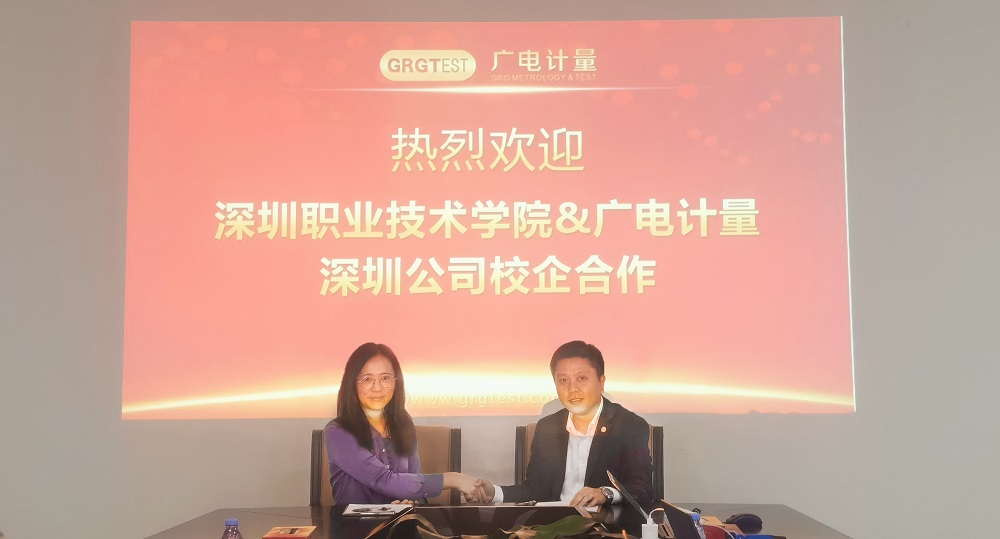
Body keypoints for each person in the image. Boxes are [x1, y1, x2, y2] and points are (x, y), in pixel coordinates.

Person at [472, 341, 654, 507]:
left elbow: (642, 488)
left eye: (581, 378)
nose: (572, 389)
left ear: (601, 382)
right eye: (563, 380)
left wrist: (605, 493)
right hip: (554, 524)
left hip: (606, 525)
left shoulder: (629, 426)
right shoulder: (547, 428)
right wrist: (494, 493)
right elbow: (535, 490)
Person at [324, 342, 479, 504]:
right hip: (354, 521)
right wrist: (454, 479)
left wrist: (411, 502)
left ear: (396, 381)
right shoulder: (337, 432)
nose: (377, 387)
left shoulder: (403, 424)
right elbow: (383, 480)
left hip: (402, 519)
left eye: (385, 378)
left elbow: (416, 483)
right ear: (352, 383)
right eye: (367, 379)